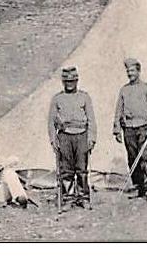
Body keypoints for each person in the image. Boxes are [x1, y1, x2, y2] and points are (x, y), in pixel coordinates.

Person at [48, 66, 96, 210]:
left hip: (81, 134)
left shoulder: (84, 97)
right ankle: (68, 198)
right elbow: (51, 121)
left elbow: (91, 119)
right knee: (66, 170)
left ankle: (83, 197)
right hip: (64, 136)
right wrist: (53, 139)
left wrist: (91, 138)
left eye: (72, 81)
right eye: (67, 81)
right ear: (63, 82)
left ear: (77, 81)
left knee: (82, 169)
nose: (70, 83)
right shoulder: (57, 99)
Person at [113, 58, 147, 200]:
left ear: (138, 71)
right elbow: (118, 110)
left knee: (145, 157)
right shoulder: (124, 90)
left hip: (144, 128)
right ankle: (139, 187)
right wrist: (117, 128)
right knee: (132, 158)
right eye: (128, 71)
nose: (129, 73)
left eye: (132, 70)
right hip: (129, 129)